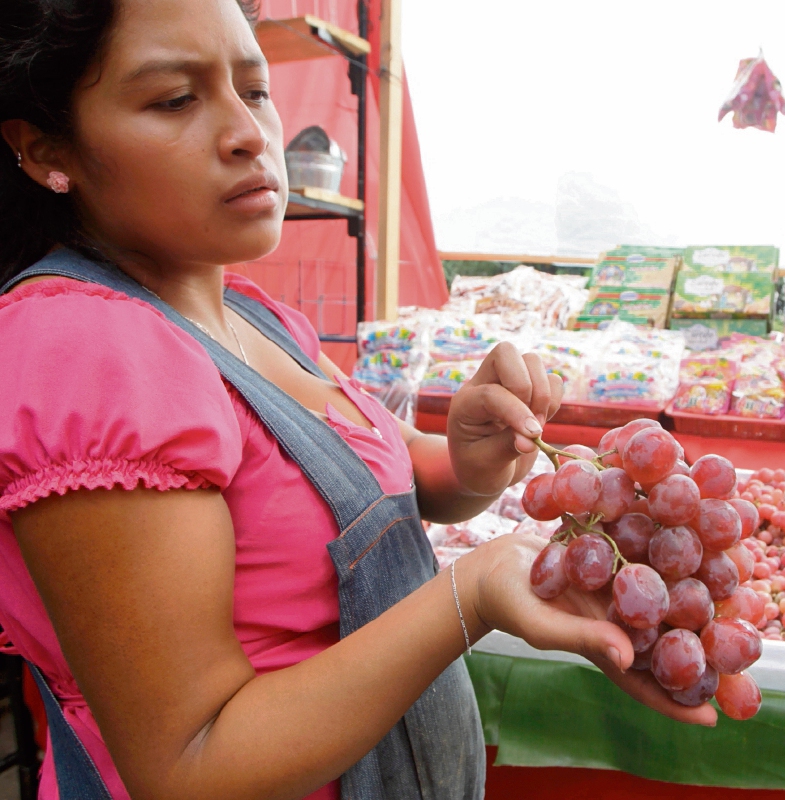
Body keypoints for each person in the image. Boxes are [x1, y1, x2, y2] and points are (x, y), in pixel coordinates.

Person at [0, 1, 715, 798]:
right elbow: (189, 765)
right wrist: (471, 595)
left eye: (255, 89)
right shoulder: (87, 350)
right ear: (42, 148)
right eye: (175, 99)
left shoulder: (250, 313)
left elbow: (359, 480)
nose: (248, 133)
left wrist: (469, 459)